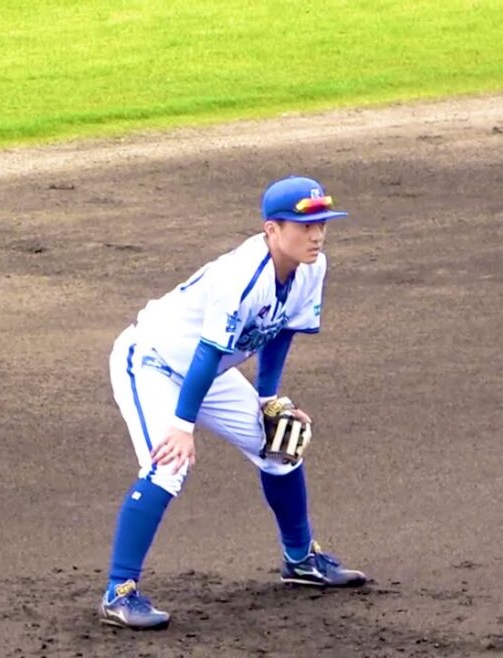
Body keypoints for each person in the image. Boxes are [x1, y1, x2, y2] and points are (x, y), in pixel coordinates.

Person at [99, 175, 368, 630]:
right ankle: (119, 592)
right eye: (305, 226)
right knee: (168, 465)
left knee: (278, 444)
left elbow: (282, 331)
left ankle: (300, 559)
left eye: (322, 224)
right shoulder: (240, 276)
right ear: (272, 229)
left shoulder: (312, 268)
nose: (317, 235)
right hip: (152, 363)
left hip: (209, 372)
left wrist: (268, 398)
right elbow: (206, 353)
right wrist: (182, 425)